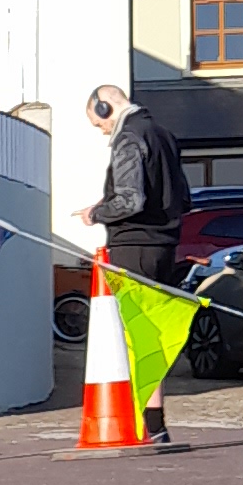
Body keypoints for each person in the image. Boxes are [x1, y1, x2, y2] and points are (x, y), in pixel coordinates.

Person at [76, 78, 195, 446]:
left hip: (133, 246)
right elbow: (184, 198)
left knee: (135, 336)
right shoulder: (164, 135)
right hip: (165, 245)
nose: (102, 131)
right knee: (152, 336)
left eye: (99, 123)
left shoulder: (128, 138)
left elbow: (130, 200)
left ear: (106, 107)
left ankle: (146, 425)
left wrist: (96, 213)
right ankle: (155, 423)